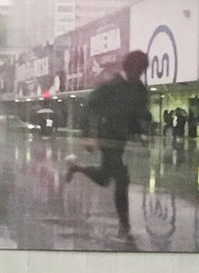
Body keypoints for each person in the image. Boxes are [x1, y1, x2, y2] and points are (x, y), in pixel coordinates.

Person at [64, 50, 152, 242]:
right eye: (136, 70)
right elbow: (90, 108)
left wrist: (143, 132)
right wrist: (91, 135)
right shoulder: (111, 85)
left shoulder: (138, 88)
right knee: (122, 178)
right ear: (128, 67)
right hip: (106, 138)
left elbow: (141, 112)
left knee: (105, 178)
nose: (138, 75)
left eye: (141, 71)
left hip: (121, 140)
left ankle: (76, 167)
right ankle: (125, 226)